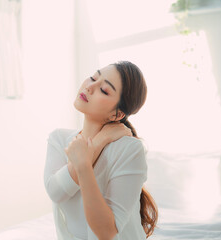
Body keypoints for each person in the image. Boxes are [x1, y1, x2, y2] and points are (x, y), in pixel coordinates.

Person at [44, 61, 158, 240]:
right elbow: (56, 192)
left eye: (104, 90)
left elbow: (106, 232)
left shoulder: (129, 149)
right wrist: (99, 142)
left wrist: (83, 165)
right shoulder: (59, 139)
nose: (90, 87)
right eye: (93, 78)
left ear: (117, 114)